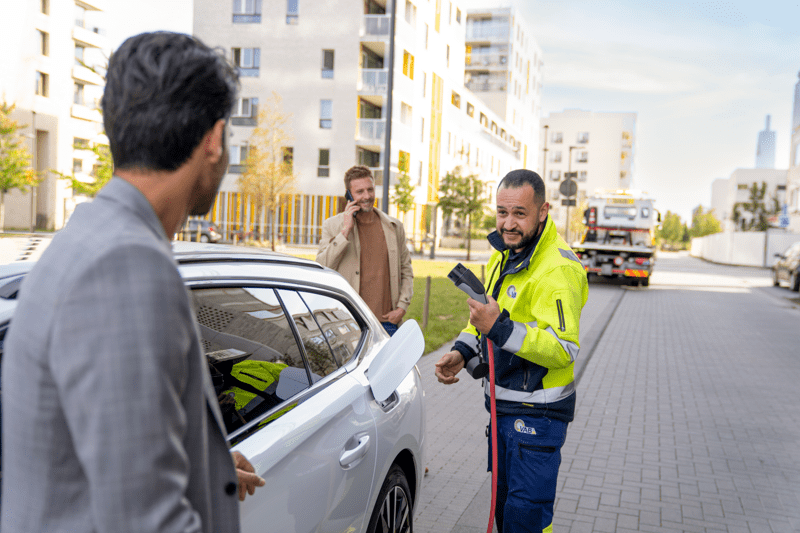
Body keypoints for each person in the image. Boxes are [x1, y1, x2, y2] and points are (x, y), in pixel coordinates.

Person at [1, 32, 264, 532]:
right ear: (214, 138)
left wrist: (204, 467)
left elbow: (91, 445)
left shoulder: (90, 233)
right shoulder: (126, 265)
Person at [434, 169, 588, 532]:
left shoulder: (558, 269)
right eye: (502, 212)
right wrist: (460, 351)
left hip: (538, 417)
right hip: (504, 410)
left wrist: (499, 328)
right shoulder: (505, 256)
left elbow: (563, 348)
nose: (508, 223)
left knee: (526, 521)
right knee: (507, 516)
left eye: (519, 213)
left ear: (543, 211)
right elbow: (484, 319)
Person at [316, 165, 413, 335]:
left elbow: (406, 269)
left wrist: (402, 307)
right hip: (348, 322)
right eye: (360, 192)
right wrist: (345, 231)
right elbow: (322, 267)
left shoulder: (394, 227)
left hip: (387, 323)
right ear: (349, 194)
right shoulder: (332, 226)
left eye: (370, 190)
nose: (367, 196)